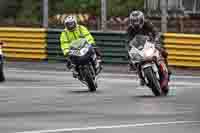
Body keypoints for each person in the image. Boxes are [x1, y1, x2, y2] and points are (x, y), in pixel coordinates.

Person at [126, 10, 171, 85]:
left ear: (142, 19)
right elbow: (127, 40)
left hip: (150, 42)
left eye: (137, 20)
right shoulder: (130, 29)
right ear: (131, 21)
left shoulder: (147, 24)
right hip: (139, 46)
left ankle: (167, 70)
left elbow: (155, 32)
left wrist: (156, 39)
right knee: (133, 59)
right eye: (134, 21)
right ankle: (141, 77)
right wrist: (128, 49)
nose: (136, 23)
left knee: (163, 52)